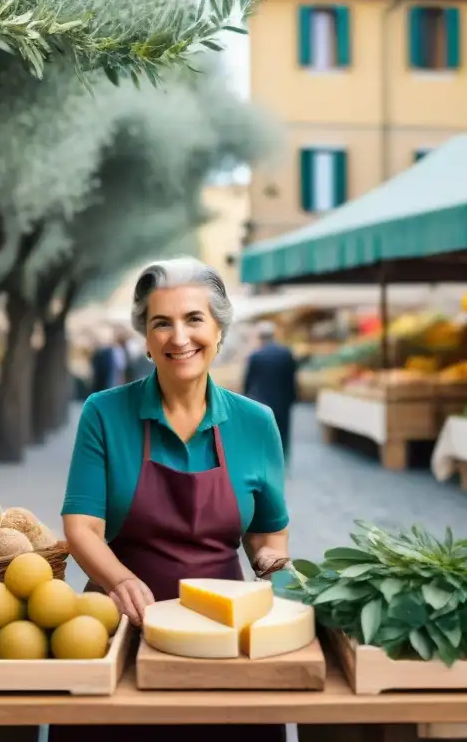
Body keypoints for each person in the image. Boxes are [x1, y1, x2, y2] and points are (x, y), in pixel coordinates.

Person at [57, 257, 289, 742]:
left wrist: (271, 560)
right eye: (161, 323)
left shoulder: (257, 422)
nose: (178, 337)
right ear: (144, 337)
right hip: (120, 629)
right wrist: (118, 580)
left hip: (225, 642)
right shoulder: (104, 413)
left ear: (219, 330)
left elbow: (267, 531)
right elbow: (82, 527)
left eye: (194, 319)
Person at [243, 320, 299, 462]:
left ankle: (264, 459)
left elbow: (248, 380)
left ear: (261, 337)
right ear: (274, 335)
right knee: (283, 430)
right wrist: (293, 397)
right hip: (283, 399)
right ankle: (282, 458)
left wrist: (246, 399)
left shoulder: (256, 355)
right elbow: (292, 377)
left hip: (261, 400)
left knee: (263, 430)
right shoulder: (286, 353)